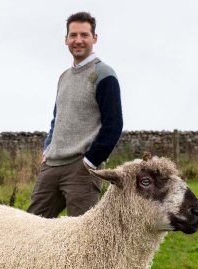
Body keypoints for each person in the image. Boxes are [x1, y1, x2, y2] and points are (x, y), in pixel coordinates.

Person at [26, 11, 123, 218]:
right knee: (31, 229)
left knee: (83, 239)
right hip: (52, 166)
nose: (78, 40)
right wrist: (47, 148)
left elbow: (113, 125)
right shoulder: (64, 77)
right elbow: (56, 118)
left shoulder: (104, 74)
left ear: (94, 38)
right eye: (73, 35)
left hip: (82, 169)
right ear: (66, 39)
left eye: (84, 35)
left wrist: (90, 161)